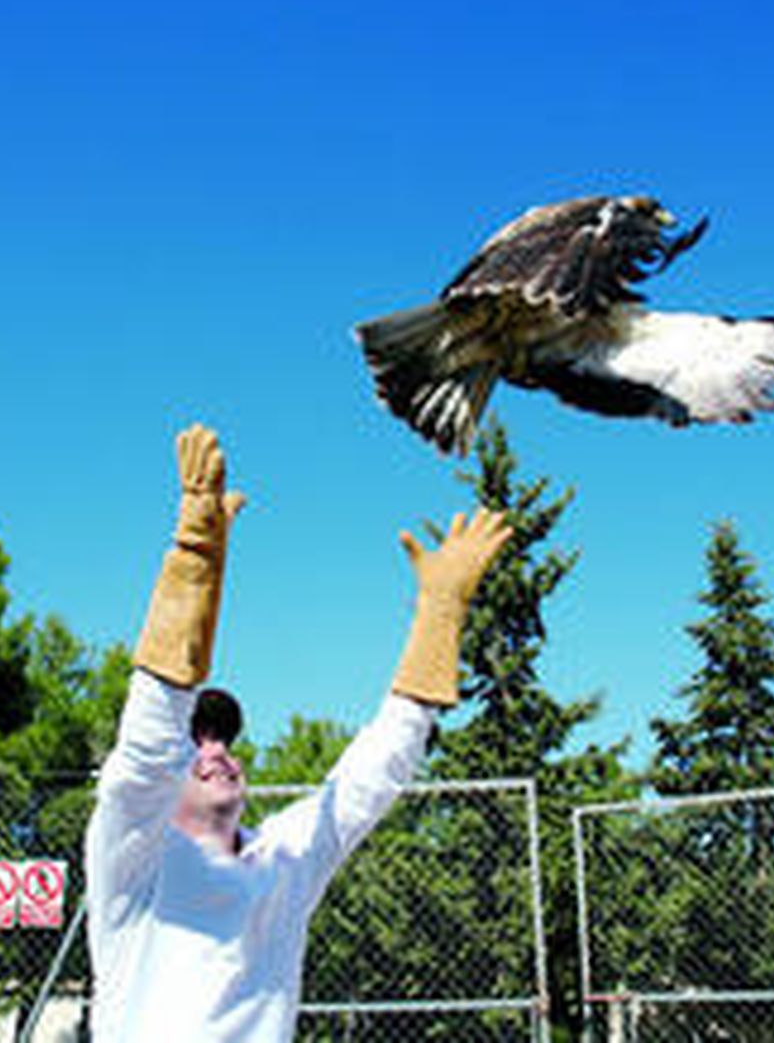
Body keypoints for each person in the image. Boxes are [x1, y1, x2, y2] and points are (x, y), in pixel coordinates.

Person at [84, 423, 512, 1041]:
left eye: (223, 736)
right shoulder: (136, 857)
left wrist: (440, 615)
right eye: (197, 737)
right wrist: (195, 552)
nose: (215, 749)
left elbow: (372, 775)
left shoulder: (282, 858)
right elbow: (147, 749)